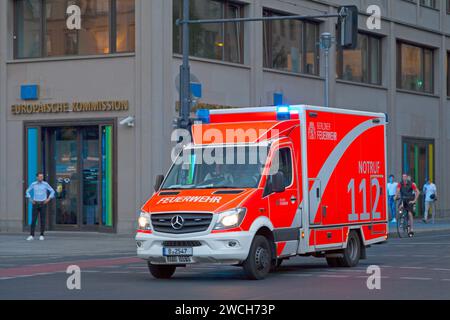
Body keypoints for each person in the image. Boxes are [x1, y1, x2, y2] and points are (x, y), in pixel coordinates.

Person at [25, 172, 55, 241]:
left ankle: (42, 234)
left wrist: (48, 199)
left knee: (42, 220)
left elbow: (52, 191)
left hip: (43, 203)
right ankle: (31, 235)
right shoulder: (33, 184)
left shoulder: (45, 184)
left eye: (42, 177)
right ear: (37, 177)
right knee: (33, 220)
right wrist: (30, 198)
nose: (41, 178)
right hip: (35, 203)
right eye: (40, 177)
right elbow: (27, 191)